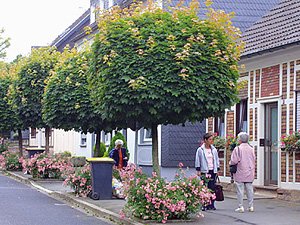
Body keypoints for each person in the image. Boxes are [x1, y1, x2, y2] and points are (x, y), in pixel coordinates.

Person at [229, 132, 256, 213]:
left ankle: (241, 206)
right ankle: (250, 206)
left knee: (240, 190)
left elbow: (234, 161)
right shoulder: (251, 149)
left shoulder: (237, 149)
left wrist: (230, 163)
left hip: (240, 171)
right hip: (249, 171)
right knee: (249, 189)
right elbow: (254, 159)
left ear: (240, 140)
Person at [195, 132, 220, 211]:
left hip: (212, 170)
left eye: (212, 140)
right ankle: (204, 204)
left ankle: (211, 204)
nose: (211, 141)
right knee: (204, 188)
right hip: (204, 170)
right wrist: (198, 169)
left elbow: (216, 159)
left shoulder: (214, 149)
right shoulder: (200, 150)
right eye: (209, 139)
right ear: (205, 140)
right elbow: (198, 160)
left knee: (212, 188)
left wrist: (217, 169)